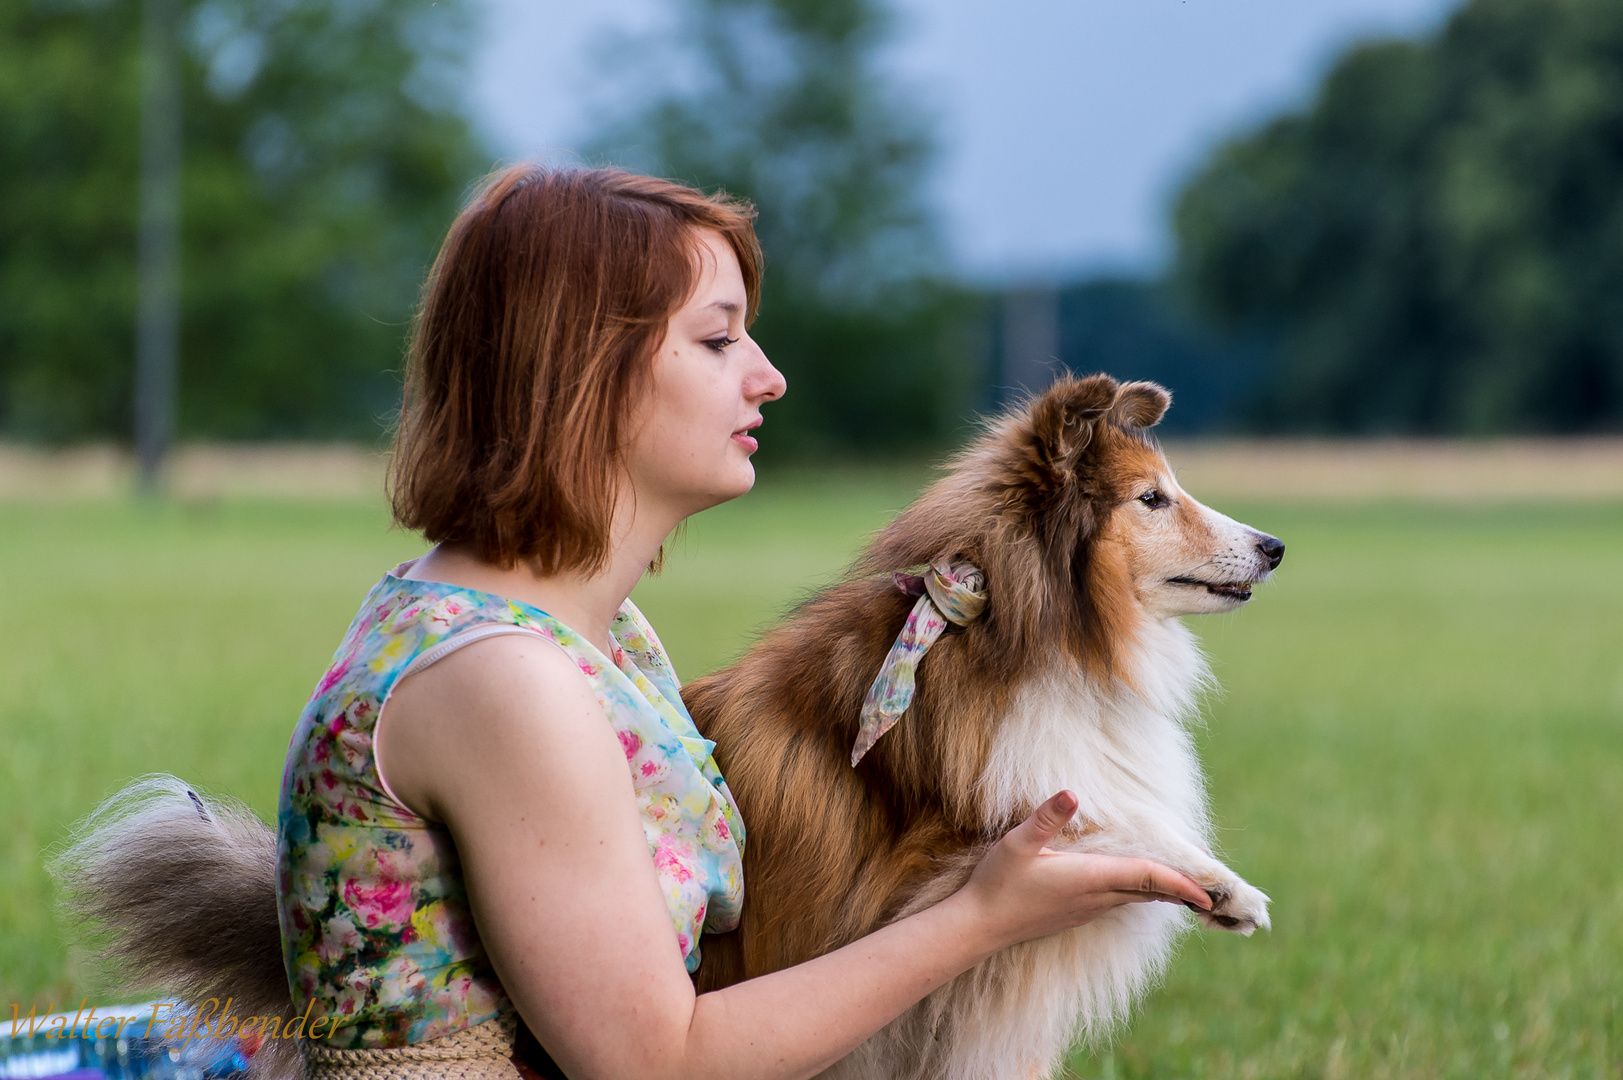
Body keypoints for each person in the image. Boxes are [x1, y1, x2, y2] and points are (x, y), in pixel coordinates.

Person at [63, 165, 1214, 1080]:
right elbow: (654, 1063)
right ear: (585, 373)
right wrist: (979, 919)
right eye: (718, 341)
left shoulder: (595, 636)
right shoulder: (505, 677)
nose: (767, 377)